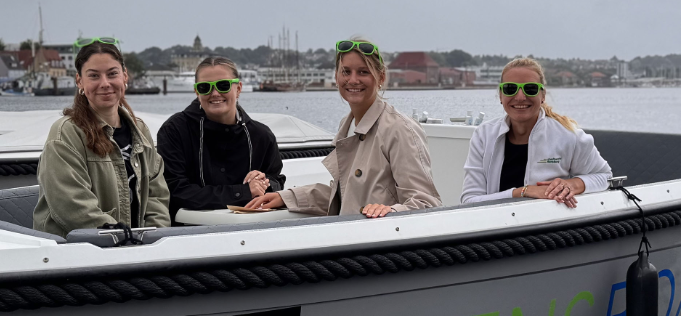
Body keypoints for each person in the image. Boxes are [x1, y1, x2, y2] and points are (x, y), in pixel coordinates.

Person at [246, 37, 440, 218]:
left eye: (363, 72)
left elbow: (427, 203)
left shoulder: (399, 129)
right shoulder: (346, 127)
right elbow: (344, 197)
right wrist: (286, 197)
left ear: (380, 78)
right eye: (346, 71)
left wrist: (390, 211)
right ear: (336, 76)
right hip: (350, 236)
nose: (353, 80)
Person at [33, 38, 171, 236]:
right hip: (76, 248)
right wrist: (122, 238)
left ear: (125, 76)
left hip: (135, 248)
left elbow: (156, 196)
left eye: (112, 74)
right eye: (94, 76)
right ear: (79, 81)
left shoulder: (140, 130)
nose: (105, 83)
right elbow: (72, 205)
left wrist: (153, 238)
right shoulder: (65, 134)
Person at [460, 57, 611, 208]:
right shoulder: (483, 136)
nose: (520, 97)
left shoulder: (569, 136)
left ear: (542, 95)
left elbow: (605, 177)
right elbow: (469, 200)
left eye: (530, 89)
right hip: (496, 221)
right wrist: (523, 192)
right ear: (501, 95)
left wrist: (571, 185)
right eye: (510, 89)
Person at [157, 57, 284, 222]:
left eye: (223, 85)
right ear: (197, 92)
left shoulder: (262, 136)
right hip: (189, 229)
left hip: (250, 229)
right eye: (205, 87)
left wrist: (264, 183)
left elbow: (276, 181)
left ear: (238, 89)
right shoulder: (174, 131)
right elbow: (175, 191)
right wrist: (244, 192)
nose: (215, 93)